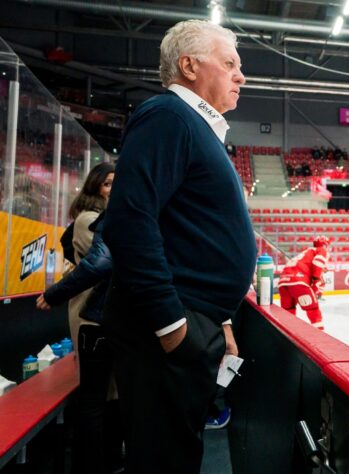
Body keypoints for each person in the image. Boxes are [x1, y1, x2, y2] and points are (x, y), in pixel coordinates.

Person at [100, 20, 255, 473]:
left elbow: (187, 235)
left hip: (192, 322)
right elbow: (129, 222)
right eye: (229, 64)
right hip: (164, 331)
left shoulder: (194, 128)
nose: (240, 76)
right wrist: (172, 327)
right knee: (164, 460)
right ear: (188, 66)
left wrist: (220, 320)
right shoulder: (168, 116)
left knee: (178, 454)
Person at [36, 163, 122, 474]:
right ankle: (92, 465)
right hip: (90, 314)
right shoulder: (90, 219)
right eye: (107, 184)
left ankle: (109, 460)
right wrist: (55, 293)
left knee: (109, 393)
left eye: (117, 184)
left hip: (102, 314)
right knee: (95, 396)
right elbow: (100, 265)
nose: (113, 189)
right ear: (95, 187)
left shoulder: (110, 219)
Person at [278, 235, 330, 330]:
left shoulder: (305, 252)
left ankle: (288, 336)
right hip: (298, 281)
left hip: (283, 282)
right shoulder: (321, 250)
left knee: (288, 312)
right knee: (313, 309)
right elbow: (318, 263)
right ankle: (319, 336)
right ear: (325, 245)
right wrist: (315, 279)